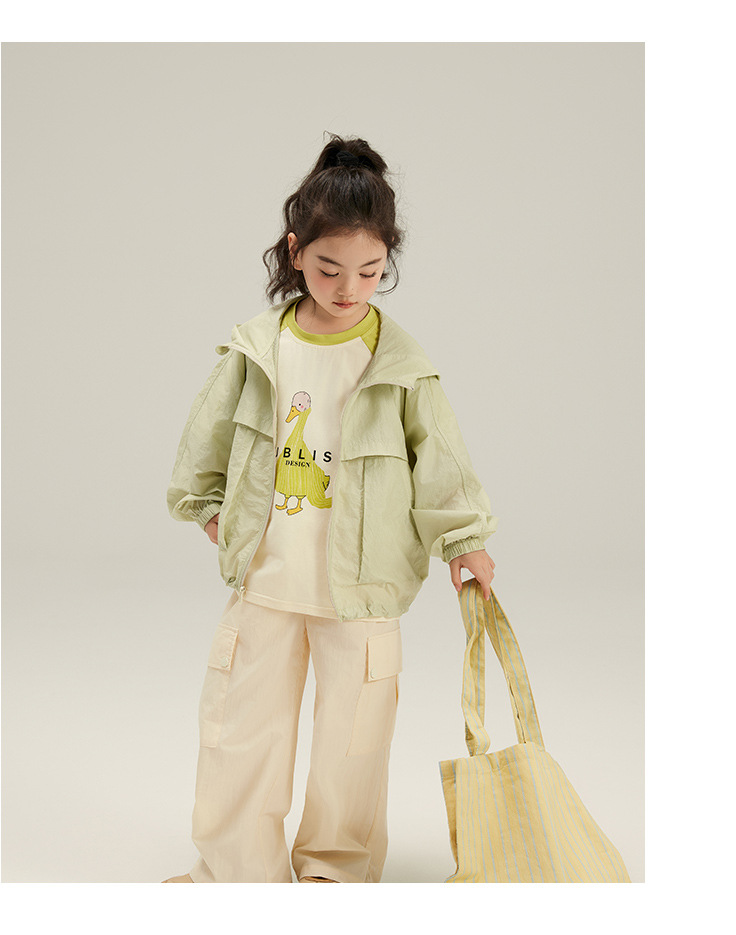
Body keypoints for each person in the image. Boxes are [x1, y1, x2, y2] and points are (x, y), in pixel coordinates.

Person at [163, 134, 498, 883]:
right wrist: (217, 516)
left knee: (355, 741)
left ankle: (334, 871)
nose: (349, 288)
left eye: (370, 272)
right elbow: (201, 448)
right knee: (242, 732)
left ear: (388, 260)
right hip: (267, 582)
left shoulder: (402, 365)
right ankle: (238, 871)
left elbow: (441, 461)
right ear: (294, 252)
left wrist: (465, 540)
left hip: (365, 590)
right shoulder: (257, 349)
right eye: (328, 269)